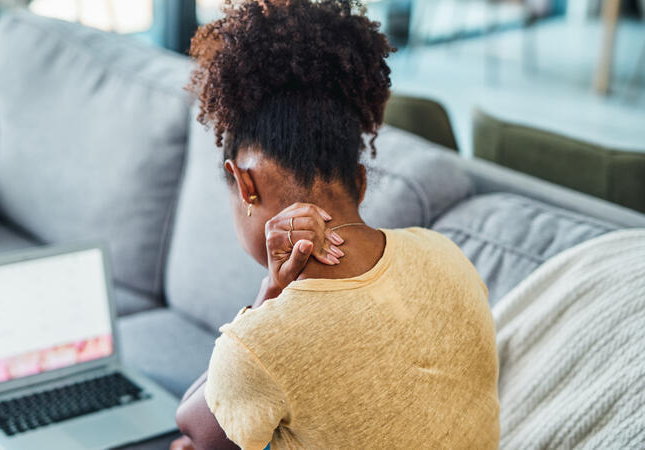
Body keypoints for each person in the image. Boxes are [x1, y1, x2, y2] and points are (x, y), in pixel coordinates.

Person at [172, 1, 499, 449]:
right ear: (361, 183)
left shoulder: (265, 342)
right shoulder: (447, 254)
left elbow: (192, 425)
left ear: (244, 183)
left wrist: (266, 299)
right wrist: (275, 291)